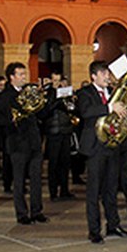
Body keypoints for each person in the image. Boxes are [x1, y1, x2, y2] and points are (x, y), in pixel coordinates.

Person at [77, 61, 127, 243]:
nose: (107, 77)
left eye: (108, 74)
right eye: (103, 74)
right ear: (93, 76)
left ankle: (113, 225)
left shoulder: (114, 93)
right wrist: (110, 108)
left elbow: (118, 116)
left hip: (112, 146)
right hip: (95, 147)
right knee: (94, 191)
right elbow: (86, 112)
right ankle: (94, 230)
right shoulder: (85, 93)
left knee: (111, 189)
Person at [0, 62, 50, 225]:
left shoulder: (29, 91)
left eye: (25, 74)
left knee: (36, 179)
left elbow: (43, 113)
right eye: (21, 74)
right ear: (12, 77)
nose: (24, 77)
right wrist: (11, 119)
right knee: (19, 180)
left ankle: (37, 211)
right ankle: (22, 213)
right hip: (17, 142)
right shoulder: (5, 96)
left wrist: (44, 99)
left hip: (34, 141)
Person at [43, 72, 76, 201]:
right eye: (54, 80)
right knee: (54, 164)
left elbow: (72, 108)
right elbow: (47, 110)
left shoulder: (65, 93)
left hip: (65, 130)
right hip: (53, 131)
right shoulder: (48, 93)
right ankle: (53, 191)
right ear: (51, 80)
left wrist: (69, 99)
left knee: (65, 163)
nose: (57, 82)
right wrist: (56, 96)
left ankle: (64, 190)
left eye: (58, 80)